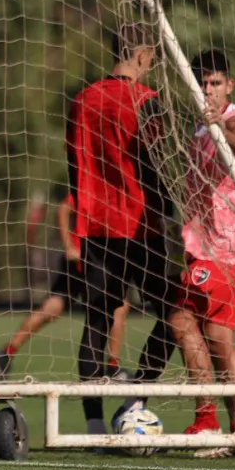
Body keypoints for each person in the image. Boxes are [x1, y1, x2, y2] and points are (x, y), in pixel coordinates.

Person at [66, 23, 178, 437]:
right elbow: (156, 165)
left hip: (96, 226)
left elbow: (74, 166)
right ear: (144, 55)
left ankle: (93, 428)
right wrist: (169, 206)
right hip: (140, 225)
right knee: (172, 316)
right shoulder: (149, 102)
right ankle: (137, 402)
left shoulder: (82, 100)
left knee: (97, 320)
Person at [169, 50, 235, 457]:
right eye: (203, 84)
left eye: (216, 83)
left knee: (193, 325)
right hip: (206, 249)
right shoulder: (200, 131)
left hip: (227, 248)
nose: (209, 91)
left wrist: (221, 120)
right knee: (205, 331)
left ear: (230, 86)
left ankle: (216, 424)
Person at [0, 193, 131, 380]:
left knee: (53, 307)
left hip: (97, 257)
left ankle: (6, 352)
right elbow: (64, 208)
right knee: (119, 307)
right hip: (84, 258)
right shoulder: (92, 182)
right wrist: (68, 245)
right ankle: (113, 368)